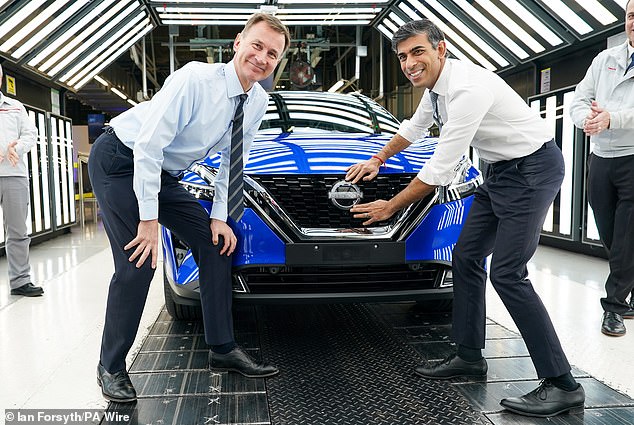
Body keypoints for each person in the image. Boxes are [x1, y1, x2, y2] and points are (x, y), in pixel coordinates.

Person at [345, 19, 584, 418]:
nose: (409, 63)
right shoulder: (436, 89)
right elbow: (415, 127)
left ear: (441, 49)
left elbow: (440, 166)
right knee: (467, 257)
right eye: (403, 56)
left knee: (508, 273)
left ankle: (563, 383)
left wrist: (390, 207)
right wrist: (378, 158)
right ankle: (469, 356)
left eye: (417, 52)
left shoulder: (466, 89)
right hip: (499, 171)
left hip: (533, 170)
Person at [88, 13, 290, 403]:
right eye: (257, 45)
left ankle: (223, 349)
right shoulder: (195, 79)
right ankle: (110, 366)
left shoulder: (258, 100)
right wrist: (148, 220)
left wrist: (219, 217)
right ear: (238, 43)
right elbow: (147, 145)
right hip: (120, 159)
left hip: (163, 172)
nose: (262, 57)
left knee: (215, 246)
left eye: (272, 53)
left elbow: (235, 161)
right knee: (138, 263)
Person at [569, 0, 634, 337]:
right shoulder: (604, 60)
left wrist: (613, 119)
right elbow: (578, 100)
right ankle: (630, 282)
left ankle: (615, 308)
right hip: (601, 158)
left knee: (625, 236)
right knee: (609, 230)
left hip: (633, 156)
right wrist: (590, 121)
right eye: (632, 15)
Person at [0, 63, 43, 298]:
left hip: (14, 175)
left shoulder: (15, 107)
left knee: (17, 231)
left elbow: (30, 134)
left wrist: (19, 146)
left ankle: (20, 281)